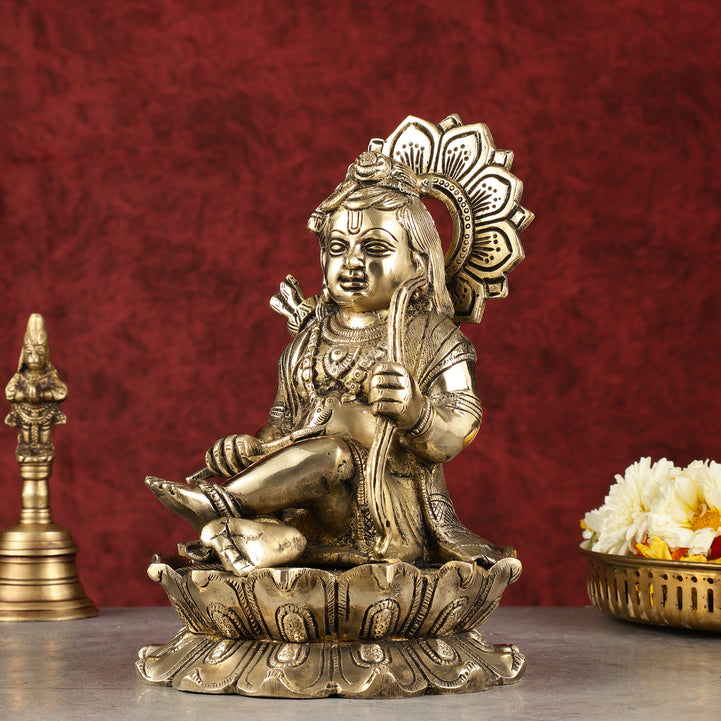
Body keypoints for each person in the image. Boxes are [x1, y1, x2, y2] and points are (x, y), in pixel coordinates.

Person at [147, 151, 513, 573]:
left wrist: (416, 411)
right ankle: (246, 537)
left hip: (384, 511)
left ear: (419, 260)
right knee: (285, 525)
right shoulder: (307, 342)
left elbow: (460, 428)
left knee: (337, 447)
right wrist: (249, 448)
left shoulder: (432, 336)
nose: (352, 261)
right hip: (303, 509)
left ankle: (223, 503)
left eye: (375, 248)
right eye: (338, 247)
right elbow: (282, 425)